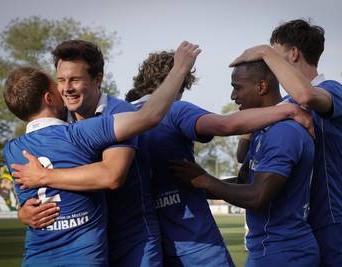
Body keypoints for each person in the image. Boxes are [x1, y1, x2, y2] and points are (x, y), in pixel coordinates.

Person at [10, 41, 200, 267]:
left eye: (75, 79)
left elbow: (112, 176)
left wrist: (44, 176)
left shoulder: (120, 113)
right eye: (61, 80)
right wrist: (23, 212)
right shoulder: (59, 123)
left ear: (97, 80)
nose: (66, 88)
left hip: (133, 243)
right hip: (91, 245)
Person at [127, 52, 316, 266]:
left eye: (237, 87)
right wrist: (200, 183)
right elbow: (244, 178)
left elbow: (257, 195)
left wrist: (205, 181)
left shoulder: (284, 132)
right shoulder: (265, 131)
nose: (233, 96)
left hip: (284, 250)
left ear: (262, 87)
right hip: (254, 248)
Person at [230, 19, 342, 266]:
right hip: (296, 224)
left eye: (273, 56)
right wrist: (256, 111)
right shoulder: (282, 105)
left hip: (330, 216)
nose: (268, 64)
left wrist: (264, 52)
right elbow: (242, 154)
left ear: (294, 53)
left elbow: (306, 95)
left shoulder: (332, 90)